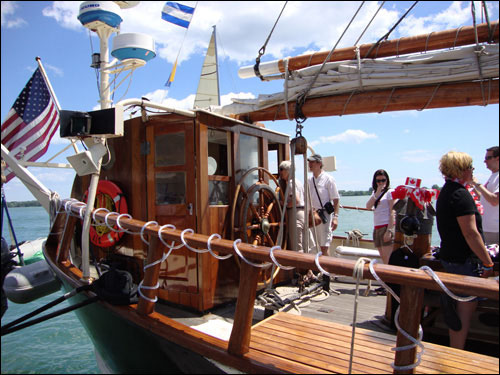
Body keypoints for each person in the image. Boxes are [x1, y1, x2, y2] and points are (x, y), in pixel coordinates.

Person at [436, 151, 494, 350]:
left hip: (451, 258)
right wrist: (487, 262)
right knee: (464, 311)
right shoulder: (460, 195)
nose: (472, 171)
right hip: (464, 262)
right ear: (461, 170)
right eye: (470, 167)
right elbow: (471, 234)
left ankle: (455, 352)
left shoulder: (447, 191)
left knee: (458, 309)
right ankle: (456, 357)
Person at [307, 154, 340, 255]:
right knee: (313, 245)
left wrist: (336, 217)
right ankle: (317, 269)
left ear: (319, 163)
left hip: (324, 215)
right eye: (309, 162)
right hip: (312, 215)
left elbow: (336, 199)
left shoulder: (328, 179)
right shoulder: (309, 180)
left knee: (324, 246)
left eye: (312, 162)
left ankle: (326, 270)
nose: (310, 164)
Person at [366, 170, 396, 265]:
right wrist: (377, 192)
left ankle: (390, 279)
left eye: (383, 180)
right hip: (377, 227)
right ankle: (387, 279)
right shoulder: (375, 193)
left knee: (388, 258)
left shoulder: (390, 192)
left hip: (386, 226)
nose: (381, 183)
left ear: (387, 180)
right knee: (383, 257)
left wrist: (389, 231)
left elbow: (393, 211)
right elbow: (368, 206)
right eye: (378, 181)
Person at [278, 160, 308, 252]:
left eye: (281, 169)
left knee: (296, 246)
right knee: (304, 244)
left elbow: (296, 201)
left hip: (295, 214)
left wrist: (284, 204)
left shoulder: (291, 183)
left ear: (288, 170)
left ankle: (299, 265)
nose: (280, 172)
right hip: (302, 214)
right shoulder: (298, 182)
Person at [471, 146, 499, 245]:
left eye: (488, 158)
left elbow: (495, 201)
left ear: (497, 158)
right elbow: (484, 198)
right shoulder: (494, 176)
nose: (484, 161)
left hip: (495, 231)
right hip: (488, 229)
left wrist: (478, 184)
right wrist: (473, 185)